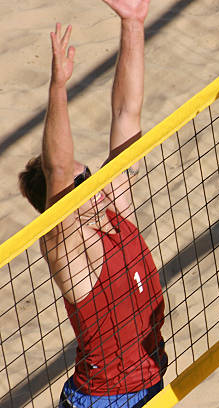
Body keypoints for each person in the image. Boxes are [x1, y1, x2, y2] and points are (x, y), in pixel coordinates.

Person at [18, 1, 166, 407]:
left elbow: (125, 112)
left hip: (149, 382)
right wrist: (58, 88)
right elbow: (60, 168)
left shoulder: (113, 209)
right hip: (103, 401)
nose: (93, 181)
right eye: (84, 180)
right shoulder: (68, 247)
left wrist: (133, 25)